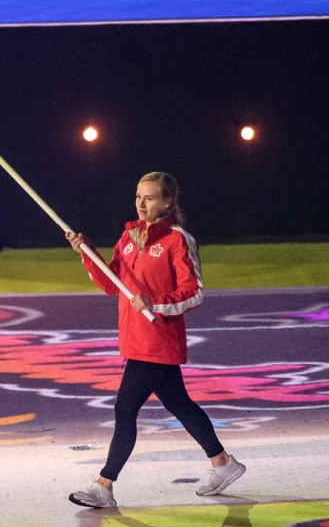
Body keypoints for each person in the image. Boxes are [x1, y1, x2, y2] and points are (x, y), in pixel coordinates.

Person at [65, 171, 245, 509]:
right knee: (179, 404)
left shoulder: (178, 240)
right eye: (138, 196)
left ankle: (104, 484)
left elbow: (193, 293)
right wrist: (86, 252)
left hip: (158, 339)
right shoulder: (129, 237)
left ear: (167, 202)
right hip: (135, 338)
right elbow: (111, 283)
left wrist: (154, 302)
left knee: (125, 409)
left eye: (149, 197)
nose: (141, 203)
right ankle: (223, 463)